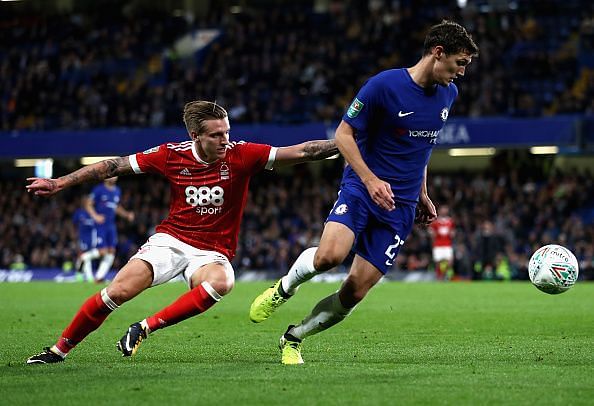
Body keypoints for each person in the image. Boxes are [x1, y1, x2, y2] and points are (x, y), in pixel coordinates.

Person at [25, 100, 338, 364]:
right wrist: (61, 182)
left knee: (222, 282)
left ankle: (144, 328)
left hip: (213, 252)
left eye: (227, 132)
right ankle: (57, 351)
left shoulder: (242, 154)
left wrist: (346, 142)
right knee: (117, 292)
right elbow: (114, 166)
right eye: (216, 135)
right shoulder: (171, 155)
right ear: (195, 136)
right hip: (171, 241)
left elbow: (304, 152)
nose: (225, 140)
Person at [249, 20, 479, 364]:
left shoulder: (449, 94)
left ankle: (294, 338)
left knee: (355, 291)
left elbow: (423, 147)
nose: (461, 72)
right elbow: (343, 136)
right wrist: (371, 180)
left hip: (400, 206)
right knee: (329, 256)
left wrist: (423, 193)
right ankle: (285, 288)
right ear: (438, 53)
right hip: (361, 188)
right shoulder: (383, 86)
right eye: (460, 63)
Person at [86, 177, 134, 282]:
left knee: (111, 251)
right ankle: (83, 257)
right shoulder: (98, 189)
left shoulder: (117, 190)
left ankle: (99, 277)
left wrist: (126, 215)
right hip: (100, 225)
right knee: (102, 251)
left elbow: (115, 207)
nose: (114, 177)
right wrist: (95, 216)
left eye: (116, 175)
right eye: (111, 175)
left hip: (111, 225)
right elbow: (88, 204)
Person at [72, 204, 98, 282]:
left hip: (93, 238)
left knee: (86, 256)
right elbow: (73, 224)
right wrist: (74, 235)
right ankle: (86, 276)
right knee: (83, 254)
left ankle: (80, 274)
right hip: (83, 238)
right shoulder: (79, 212)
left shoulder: (94, 212)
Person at [429, 204, 455, 280]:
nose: (444, 211)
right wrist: (433, 235)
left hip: (447, 244)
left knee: (450, 262)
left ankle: (447, 276)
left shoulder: (450, 221)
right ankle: (439, 278)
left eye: (445, 209)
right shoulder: (435, 222)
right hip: (438, 245)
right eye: (442, 209)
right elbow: (431, 232)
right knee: (438, 263)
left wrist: (452, 234)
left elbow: (453, 232)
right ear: (440, 211)